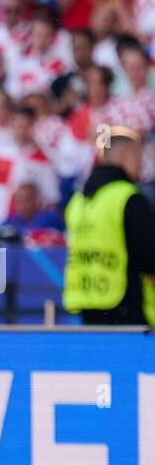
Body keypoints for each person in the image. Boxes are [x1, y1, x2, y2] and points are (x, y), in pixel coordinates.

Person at [62, 126, 155, 326]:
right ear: (123, 157)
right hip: (128, 309)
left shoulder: (77, 202)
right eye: (138, 156)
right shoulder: (129, 198)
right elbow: (149, 258)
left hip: (87, 305)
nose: (141, 165)